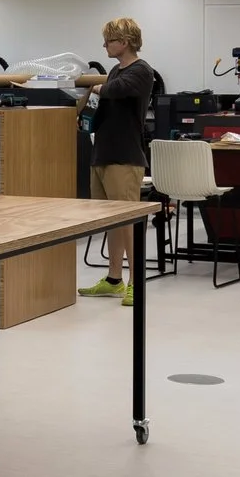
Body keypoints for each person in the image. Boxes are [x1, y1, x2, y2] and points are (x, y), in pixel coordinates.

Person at [75, 16, 159, 305]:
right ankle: (114, 279)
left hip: (125, 157)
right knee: (111, 221)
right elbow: (105, 106)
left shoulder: (141, 71)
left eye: (109, 40)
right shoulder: (114, 70)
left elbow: (115, 90)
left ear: (124, 42)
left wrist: (94, 87)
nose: (105, 45)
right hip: (103, 154)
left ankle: (137, 283)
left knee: (128, 222)